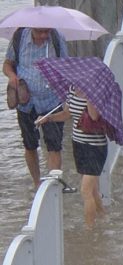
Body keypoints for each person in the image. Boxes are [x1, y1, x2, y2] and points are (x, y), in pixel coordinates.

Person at [4, 27, 71, 188]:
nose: (43, 36)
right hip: (26, 103)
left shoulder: (56, 38)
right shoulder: (19, 37)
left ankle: (53, 186)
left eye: (46, 32)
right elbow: (7, 64)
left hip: (51, 101)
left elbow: (67, 67)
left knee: (54, 145)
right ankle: (37, 184)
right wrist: (12, 76)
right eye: (39, 32)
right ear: (31, 28)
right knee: (29, 144)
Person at [35, 87, 108, 226]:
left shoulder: (95, 91)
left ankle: (89, 231)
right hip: (78, 144)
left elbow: (94, 116)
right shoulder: (72, 89)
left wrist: (89, 96)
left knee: (85, 191)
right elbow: (67, 114)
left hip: (95, 147)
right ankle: (103, 217)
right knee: (92, 189)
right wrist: (48, 118)